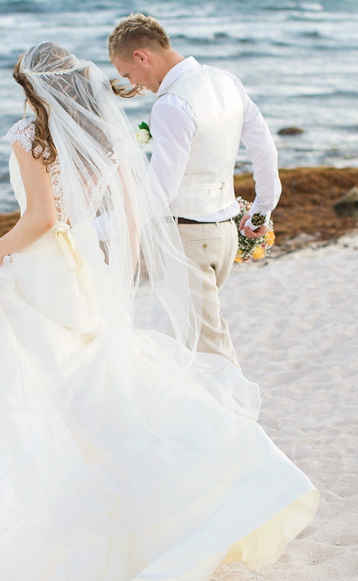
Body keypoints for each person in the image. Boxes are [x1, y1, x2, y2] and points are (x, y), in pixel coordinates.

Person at [0, 42, 317, 581]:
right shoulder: (101, 132)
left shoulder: (30, 133)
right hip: (82, 273)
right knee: (95, 388)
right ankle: (154, 511)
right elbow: (127, 213)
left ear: (32, 86)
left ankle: (82, 529)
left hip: (44, 272)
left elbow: (41, 219)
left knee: (48, 400)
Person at [108, 13, 282, 369]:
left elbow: (160, 191)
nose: (134, 84)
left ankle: (239, 421)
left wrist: (102, 227)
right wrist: (261, 210)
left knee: (209, 347)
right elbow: (265, 150)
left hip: (189, 240)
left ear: (142, 56)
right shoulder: (226, 81)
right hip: (225, 233)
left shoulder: (172, 104)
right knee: (192, 342)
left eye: (128, 74)